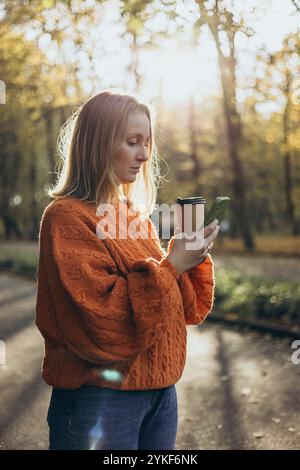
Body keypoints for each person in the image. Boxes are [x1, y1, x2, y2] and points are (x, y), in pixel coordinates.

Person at [35, 89, 220, 450]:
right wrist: (172, 266)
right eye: (132, 142)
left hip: (161, 394)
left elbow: (183, 310)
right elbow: (103, 325)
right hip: (102, 399)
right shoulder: (66, 218)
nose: (145, 154)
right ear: (98, 145)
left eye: (147, 142)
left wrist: (186, 260)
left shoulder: (134, 219)